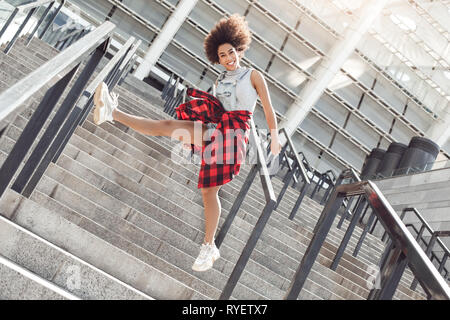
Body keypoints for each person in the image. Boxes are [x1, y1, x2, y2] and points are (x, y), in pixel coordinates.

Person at [92, 14, 282, 272]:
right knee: (167, 127)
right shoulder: (220, 81)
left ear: (238, 49)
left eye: (230, 52)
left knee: (208, 191)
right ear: (217, 59)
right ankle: (112, 113)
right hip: (216, 127)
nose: (228, 58)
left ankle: (208, 245)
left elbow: (269, 110)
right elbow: (217, 106)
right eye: (222, 56)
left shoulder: (253, 76)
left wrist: (273, 139)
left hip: (236, 133)